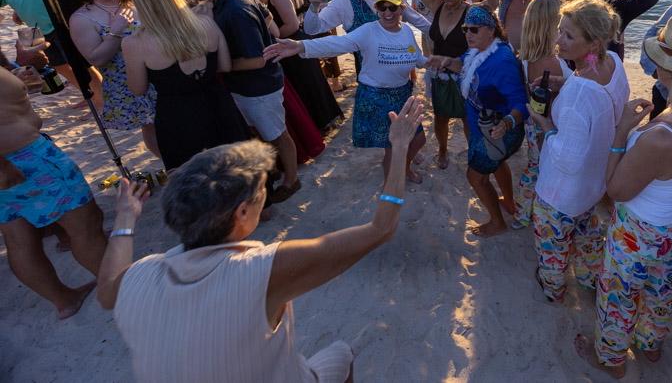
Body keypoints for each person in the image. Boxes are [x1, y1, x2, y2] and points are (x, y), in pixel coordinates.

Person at [98, 97, 426, 383]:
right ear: (242, 212)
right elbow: (381, 229)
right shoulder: (261, 269)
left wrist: (126, 218)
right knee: (342, 354)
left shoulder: (140, 274)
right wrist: (399, 148)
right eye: (261, 191)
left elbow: (107, 290)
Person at [575, 15, 672, 378]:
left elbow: (617, 190)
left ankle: (611, 360)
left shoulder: (662, 136)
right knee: (660, 288)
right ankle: (650, 343)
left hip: (638, 229)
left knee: (619, 294)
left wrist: (621, 134)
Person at [165, 0, 299, 202]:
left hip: (258, 87)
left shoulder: (235, 10)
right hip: (248, 85)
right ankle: (277, 170)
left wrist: (214, 65)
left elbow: (258, 59)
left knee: (277, 135)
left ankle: (292, 180)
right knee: (263, 133)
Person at [265, 0, 428, 184]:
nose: (387, 12)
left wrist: (436, 62)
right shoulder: (369, 31)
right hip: (377, 96)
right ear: (376, 8)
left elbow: (418, 58)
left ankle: (405, 168)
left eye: (392, 7)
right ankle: (390, 186)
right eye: (381, 7)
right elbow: (337, 43)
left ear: (402, 8)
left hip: (402, 95)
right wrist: (301, 46)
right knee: (392, 148)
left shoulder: (407, 32)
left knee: (419, 139)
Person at [529, 0, 630, 301]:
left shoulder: (578, 96)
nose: (558, 40)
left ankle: (553, 288)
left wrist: (546, 124)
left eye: (569, 35)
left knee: (553, 246)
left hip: (561, 193)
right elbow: (600, 100)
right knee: (588, 237)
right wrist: (564, 81)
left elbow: (567, 160)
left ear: (594, 43)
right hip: (594, 181)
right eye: (560, 30)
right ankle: (588, 279)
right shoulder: (613, 62)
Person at [0, 63, 108, 319]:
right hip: (23, 161)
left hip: (14, 161)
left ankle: (64, 299)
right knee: (86, 227)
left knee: (19, 240)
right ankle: (123, 288)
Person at [123, 0, 248, 171]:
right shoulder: (206, 22)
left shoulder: (134, 43)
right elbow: (224, 66)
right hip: (219, 106)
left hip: (178, 118)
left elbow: (138, 89)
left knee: (194, 177)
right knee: (237, 169)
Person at [428, 5, 528, 237]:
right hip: (481, 125)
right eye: (465, 29)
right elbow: (463, 64)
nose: (468, 34)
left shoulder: (502, 60)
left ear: (491, 30)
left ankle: (497, 222)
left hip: (498, 129)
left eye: (474, 29)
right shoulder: (476, 51)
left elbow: (521, 103)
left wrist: (506, 124)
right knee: (497, 164)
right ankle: (509, 202)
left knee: (475, 177)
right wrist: (444, 60)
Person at [69, 0, 158, 157]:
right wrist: (116, 31)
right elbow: (97, 59)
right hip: (127, 83)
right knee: (152, 127)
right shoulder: (81, 18)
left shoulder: (138, 2)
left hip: (160, 73)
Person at [403, 0, 469, 169]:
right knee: (441, 117)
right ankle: (442, 150)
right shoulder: (437, 5)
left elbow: (491, 8)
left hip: (463, 74)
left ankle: (472, 151)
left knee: (467, 117)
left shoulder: (470, 12)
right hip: (439, 74)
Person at [257, 0, 342, 133]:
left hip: (292, 43)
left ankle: (316, 125)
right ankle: (325, 120)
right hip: (301, 39)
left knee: (304, 87)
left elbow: (292, 24)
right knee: (313, 84)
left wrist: (273, 39)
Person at [512, 0, 572, 229]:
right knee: (538, 170)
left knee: (533, 167)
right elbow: (556, 104)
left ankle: (522, 212)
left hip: (533, 124)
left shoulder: (528, 56)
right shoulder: (550, 62)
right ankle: (524, 213)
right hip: (545, 128)